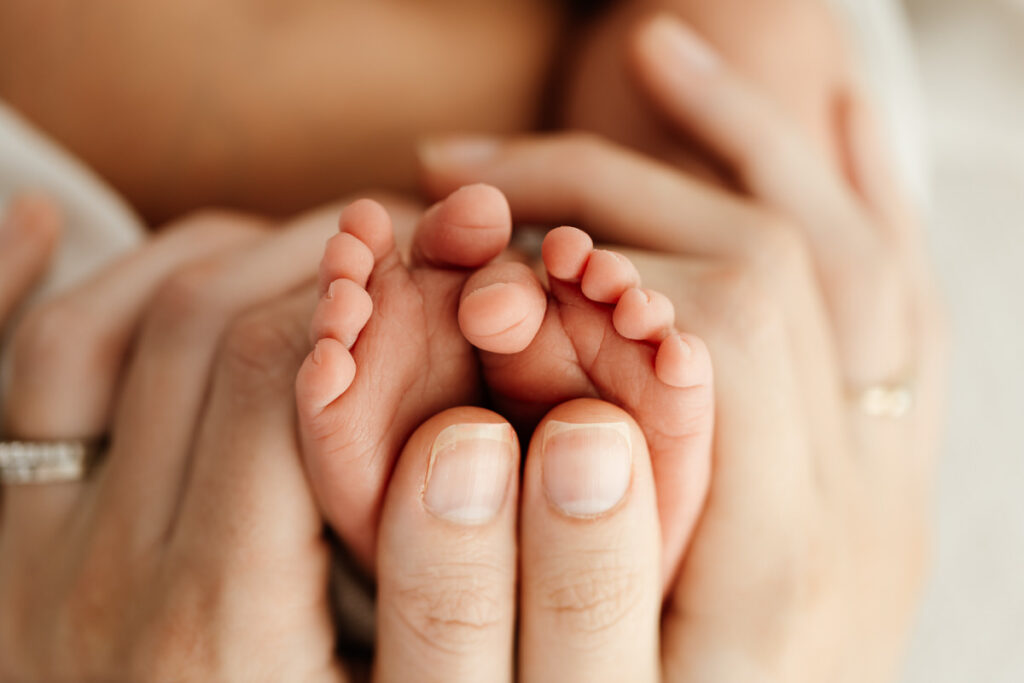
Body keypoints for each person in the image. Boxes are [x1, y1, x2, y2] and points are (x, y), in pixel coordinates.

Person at [0, 2, 945, 680]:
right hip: (746, 326)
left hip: (123, 462)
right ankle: (569, 473)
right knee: (746, 60)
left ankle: (433, 492)